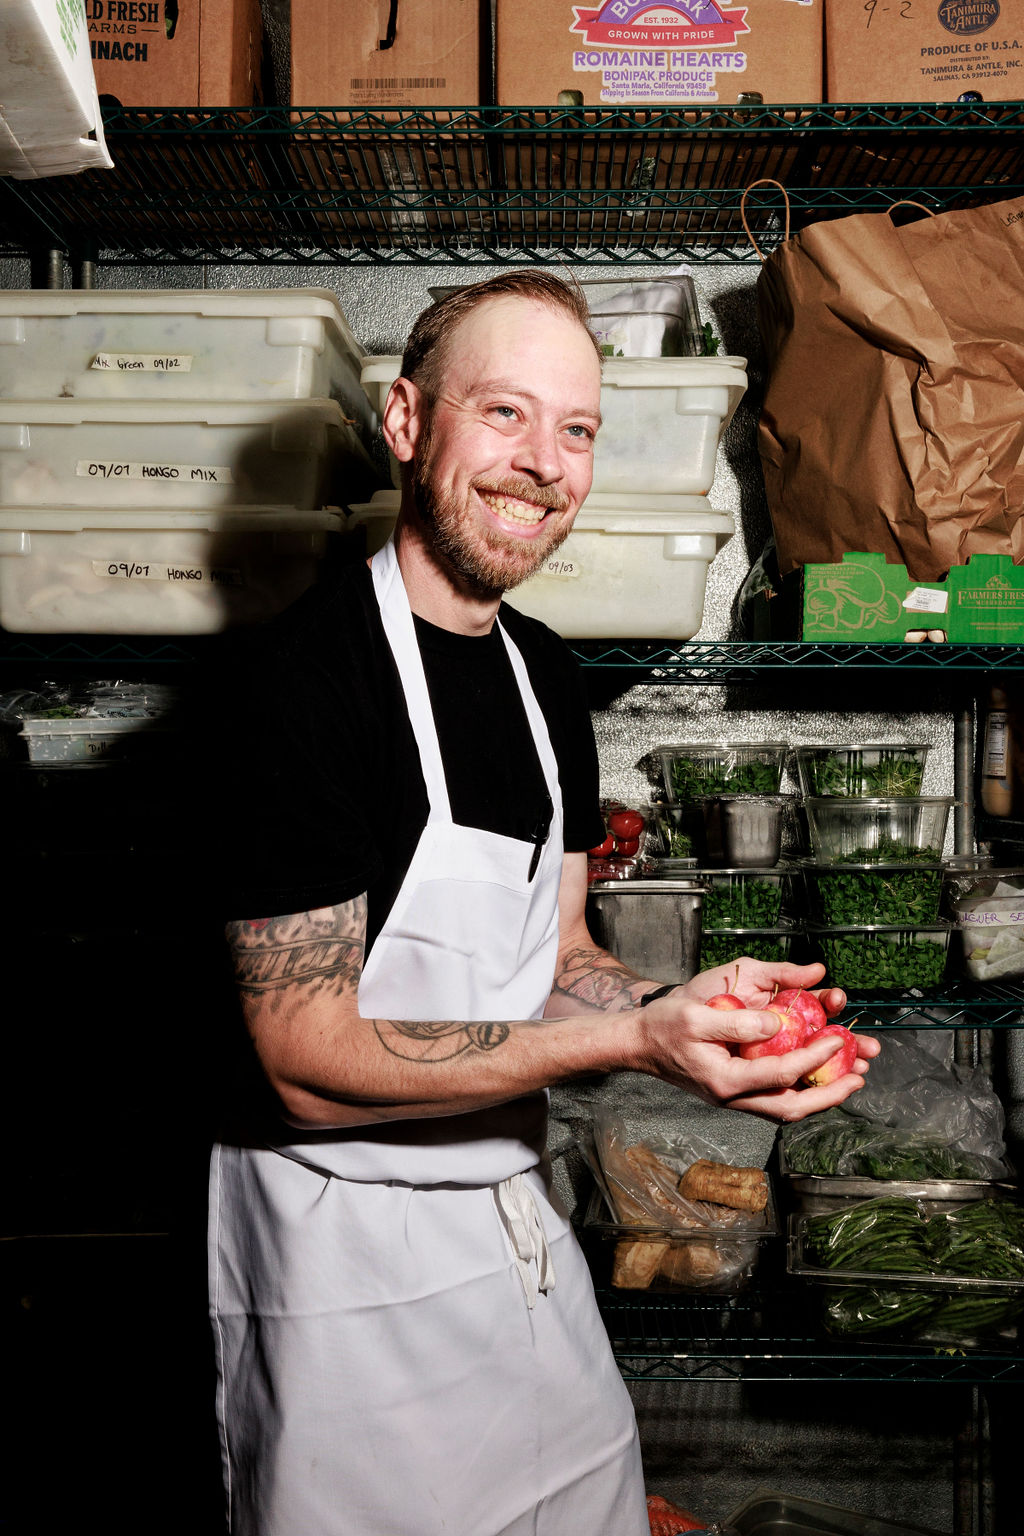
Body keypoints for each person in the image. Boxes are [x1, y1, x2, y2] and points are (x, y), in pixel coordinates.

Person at [207, 271, 879, 1536]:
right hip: (339, 1260)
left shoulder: (543, 675)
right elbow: (306, 1059)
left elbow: (558, 955)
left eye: (574, 429)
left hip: (517, 1226)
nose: (542, 465)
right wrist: (634, 1044)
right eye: (503, 414)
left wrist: (692, 1012)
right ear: (406, 422)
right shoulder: (294, 684)